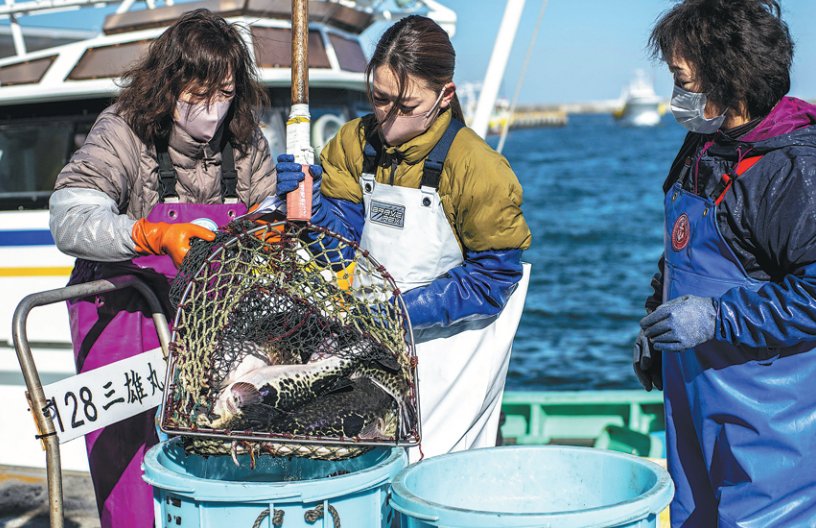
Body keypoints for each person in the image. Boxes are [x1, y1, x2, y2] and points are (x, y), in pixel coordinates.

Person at [634, 0, 816, 525]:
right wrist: (655, 321)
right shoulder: (704, 147)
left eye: (681, 78)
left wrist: (718, 317)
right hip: (700, 400)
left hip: (777, 421)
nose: (677, 92)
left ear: (726, 76)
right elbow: (683, 248)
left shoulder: (795, 169)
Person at [49, 10, 274, 527]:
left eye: (224, 93)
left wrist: (274, 227)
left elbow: (267, 208)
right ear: (169, 83)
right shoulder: (121, 131)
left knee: (219, 461)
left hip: (213, 325)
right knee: (131, 477)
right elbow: (69, 217)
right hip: (123, 317)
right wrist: (146, 235)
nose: (212, 108)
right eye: (198, 93)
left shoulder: (246, 140)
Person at [275, 15, 531, 460]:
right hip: (364, 347)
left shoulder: (479, 169)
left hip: (447, 364)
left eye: (408, 105)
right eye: (380, 99)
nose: (390, 118)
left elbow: (493, 279)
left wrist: (402, 312)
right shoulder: (353, 143)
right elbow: (341, 251)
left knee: (431, 474)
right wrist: (311, 209)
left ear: (445, 95)